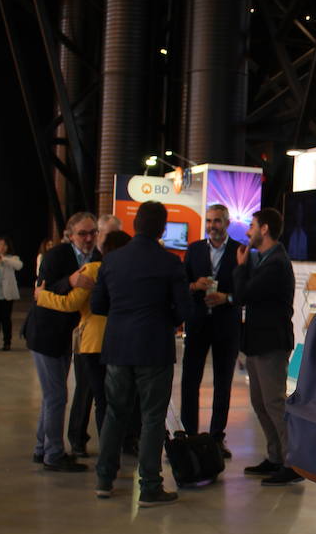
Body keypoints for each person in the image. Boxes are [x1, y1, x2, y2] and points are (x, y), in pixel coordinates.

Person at [90, 201, 192, 505]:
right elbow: (184, 309)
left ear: (135, 226)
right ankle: (149, 485)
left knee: (115, 413)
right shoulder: (170, 262)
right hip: (154, 349)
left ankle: (104, 480)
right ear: (162, 228)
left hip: (118, 348)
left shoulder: (112, 261)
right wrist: (165, 320)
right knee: (151, 418)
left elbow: (97, 305)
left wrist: (121, 316)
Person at [36, 229, 132, 465]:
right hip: (124, 342)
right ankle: (119, 446)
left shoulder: (95, 270)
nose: (89, 239)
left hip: (94, 342)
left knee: (99, 399)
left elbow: (70, 303)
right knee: (118, 399)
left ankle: (107, 457)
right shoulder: (131, 272)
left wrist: (41, 296)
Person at [24, 211, 99, 472]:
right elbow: (40, 290)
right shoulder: (56, 256)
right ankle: (53, 454)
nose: (88, 238)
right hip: (45, 333)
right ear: (70, 235)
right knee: (56, 396)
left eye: (93, 233)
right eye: (83, 233)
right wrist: (70, 280)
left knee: (52, 396)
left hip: (69, 336)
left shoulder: (98, 259)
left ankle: (42, 448)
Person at [235, 207, 299, 485]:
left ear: (264, 229)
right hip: (259, 342)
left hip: (271, 343)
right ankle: (275, 457)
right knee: (261, 403)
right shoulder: (265, 260)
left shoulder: (276, 264)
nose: (248, 230)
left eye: (252, 225)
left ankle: (293, 463)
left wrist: (240, 268)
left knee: (274, 403)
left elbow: (244, 294)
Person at [181, 204, 243, 458]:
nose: (212, 226)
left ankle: (217, 436)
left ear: (227, 223)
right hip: (197, 323)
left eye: (217, 221)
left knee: (223, 382)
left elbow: (246, 289)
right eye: (208, 221)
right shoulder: (194, 250)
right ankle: (189, 435)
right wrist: (195, 285)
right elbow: (181, 284)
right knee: (189, 380)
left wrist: (226, 297)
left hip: (226, 325)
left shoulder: (239, 251)